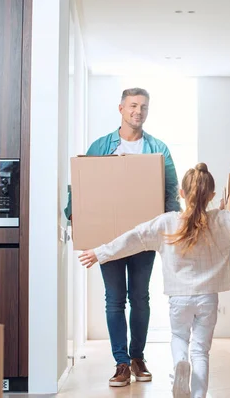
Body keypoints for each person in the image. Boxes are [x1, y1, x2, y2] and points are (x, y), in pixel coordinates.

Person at [79, 163, 230, 398]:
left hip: (179, 298)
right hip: (208, 298)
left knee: (179, 337)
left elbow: (134, 237)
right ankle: (198, 395)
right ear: (211, 196)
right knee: (200, 351)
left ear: (181, 193)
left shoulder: (166, 223)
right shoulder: (223, 220)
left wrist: (101, 252)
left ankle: (180, 363)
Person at [64, 87, 181, 387]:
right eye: (132, 106)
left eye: (143, 107)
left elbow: (169, 191)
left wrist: (174, 229)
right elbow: (80, 185)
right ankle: (120, 364)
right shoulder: (102, 145)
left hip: (144, 237)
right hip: (109, 238)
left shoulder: (158, 149)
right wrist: (74, 216)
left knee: (140, 298)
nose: (137, 111)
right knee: (114, 300)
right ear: (120, 109)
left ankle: (137, 357)